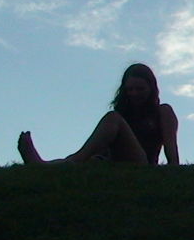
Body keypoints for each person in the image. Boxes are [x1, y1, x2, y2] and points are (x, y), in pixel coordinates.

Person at [17, 63, 180, 166]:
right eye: (130, 89)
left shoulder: (163, 111)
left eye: (140, 89)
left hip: (143, 163)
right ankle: (45, 164)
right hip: (113, 159)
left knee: (112, 119)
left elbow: (171, 147)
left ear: (151, 88)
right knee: (88, 156)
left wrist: (174, 170)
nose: (134, 93)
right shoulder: (124, 112)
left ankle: (70, 162)